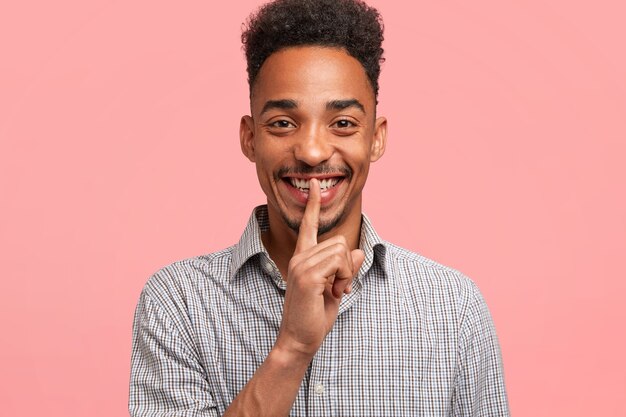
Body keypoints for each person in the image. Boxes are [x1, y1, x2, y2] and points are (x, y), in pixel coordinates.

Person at [129, 0, 510, 415]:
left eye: (343, 123)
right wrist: (292, 348)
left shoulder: (453, 308)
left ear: (376, 138)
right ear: (250, 138)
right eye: (282, 123)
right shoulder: (178, 303)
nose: (312, 152)